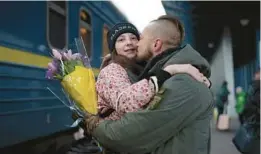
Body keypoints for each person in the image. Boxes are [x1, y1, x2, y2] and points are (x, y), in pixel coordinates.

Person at [66, 22, 210, 154]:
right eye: (121, 40)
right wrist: (168, 71)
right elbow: (125, 102)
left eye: (134, 38)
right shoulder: (112, 70)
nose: (129, 43)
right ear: (113, 48)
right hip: (118, 143)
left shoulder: (143, 69)